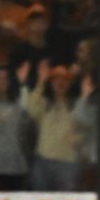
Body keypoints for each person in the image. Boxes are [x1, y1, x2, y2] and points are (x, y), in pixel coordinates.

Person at [24, 62, 89, 190]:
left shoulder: (76, 105)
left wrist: (76, 139)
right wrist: (41, 82)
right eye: (56, 79)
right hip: (42, 162)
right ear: (51, 82)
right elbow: (29, 109)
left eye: (64, 79)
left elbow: (87, 131)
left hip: (68, 163)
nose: (60, 82)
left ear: (69, 83)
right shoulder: (44, 104)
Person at [0, 63, 32, 190]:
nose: (2, 81)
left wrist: (22, 84)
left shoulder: (17, 105)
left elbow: (27, 109)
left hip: (15, 165)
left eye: (5, 78)